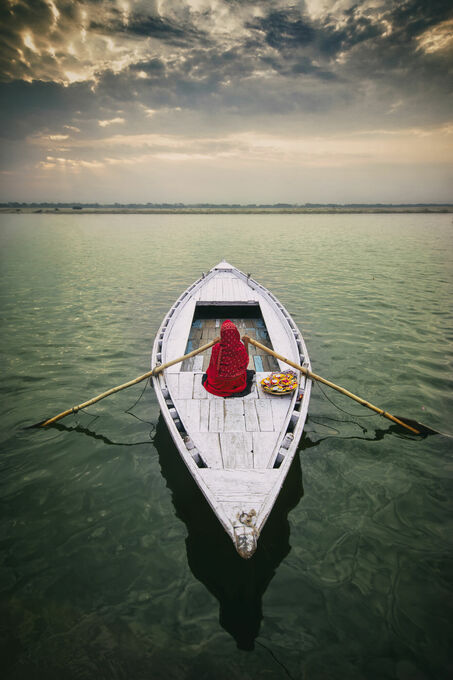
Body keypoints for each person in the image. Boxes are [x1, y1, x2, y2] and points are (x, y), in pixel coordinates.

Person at [202, 320, 252, 397]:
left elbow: (213, 368)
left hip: (220, 384)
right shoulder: (241, 347)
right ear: (236, 333)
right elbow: (245, 364)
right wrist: (246, 343)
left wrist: (217, 343)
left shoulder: (217, 348)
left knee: (210, 371)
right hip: (237, 382)